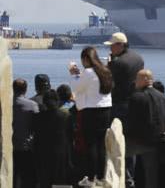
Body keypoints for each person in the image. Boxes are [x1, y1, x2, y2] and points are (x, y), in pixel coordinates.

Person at [69, 46, 113, 184]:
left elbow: (76, 87)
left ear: (86, 59)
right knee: (101, 145)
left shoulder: (88, 72)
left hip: (91, 111)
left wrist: (73, 74)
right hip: (105, 110)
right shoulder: (105, 71)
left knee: (91, 145)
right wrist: (79, 74)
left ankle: (91, 177)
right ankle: (101, 177)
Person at [125, 69, 165, 188]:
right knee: (151, 176)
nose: (135, 82)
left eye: (137, 79)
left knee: (117, 156)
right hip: (157, 141)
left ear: (144, 80)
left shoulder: (136, 97)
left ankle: (128, 182)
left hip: (138, 142)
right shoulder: (163, 97)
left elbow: (130, 121)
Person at [32, 89, 73, 187]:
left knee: (45, 182)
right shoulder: (66, 116)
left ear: (44, 102)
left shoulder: (38, 117)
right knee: (60, 182)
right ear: (57, 100)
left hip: (43, 153)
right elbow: (70, 136)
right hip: (61, 153)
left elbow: (36, 135)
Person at [106, 32, 144, 122]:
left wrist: (110, 64)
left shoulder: (118, 62)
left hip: (120, 104)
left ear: (120, 45)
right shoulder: (139, 58)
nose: (110, 48)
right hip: (136, 100)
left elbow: (108, 81)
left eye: (112, 45)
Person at [13, 78, 39, 188]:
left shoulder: (6, 104)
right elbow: (38, 124)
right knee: (28, 177)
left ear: (13, 89)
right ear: (26, 90)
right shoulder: (32, 105)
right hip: (26, 146)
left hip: (10, 146)